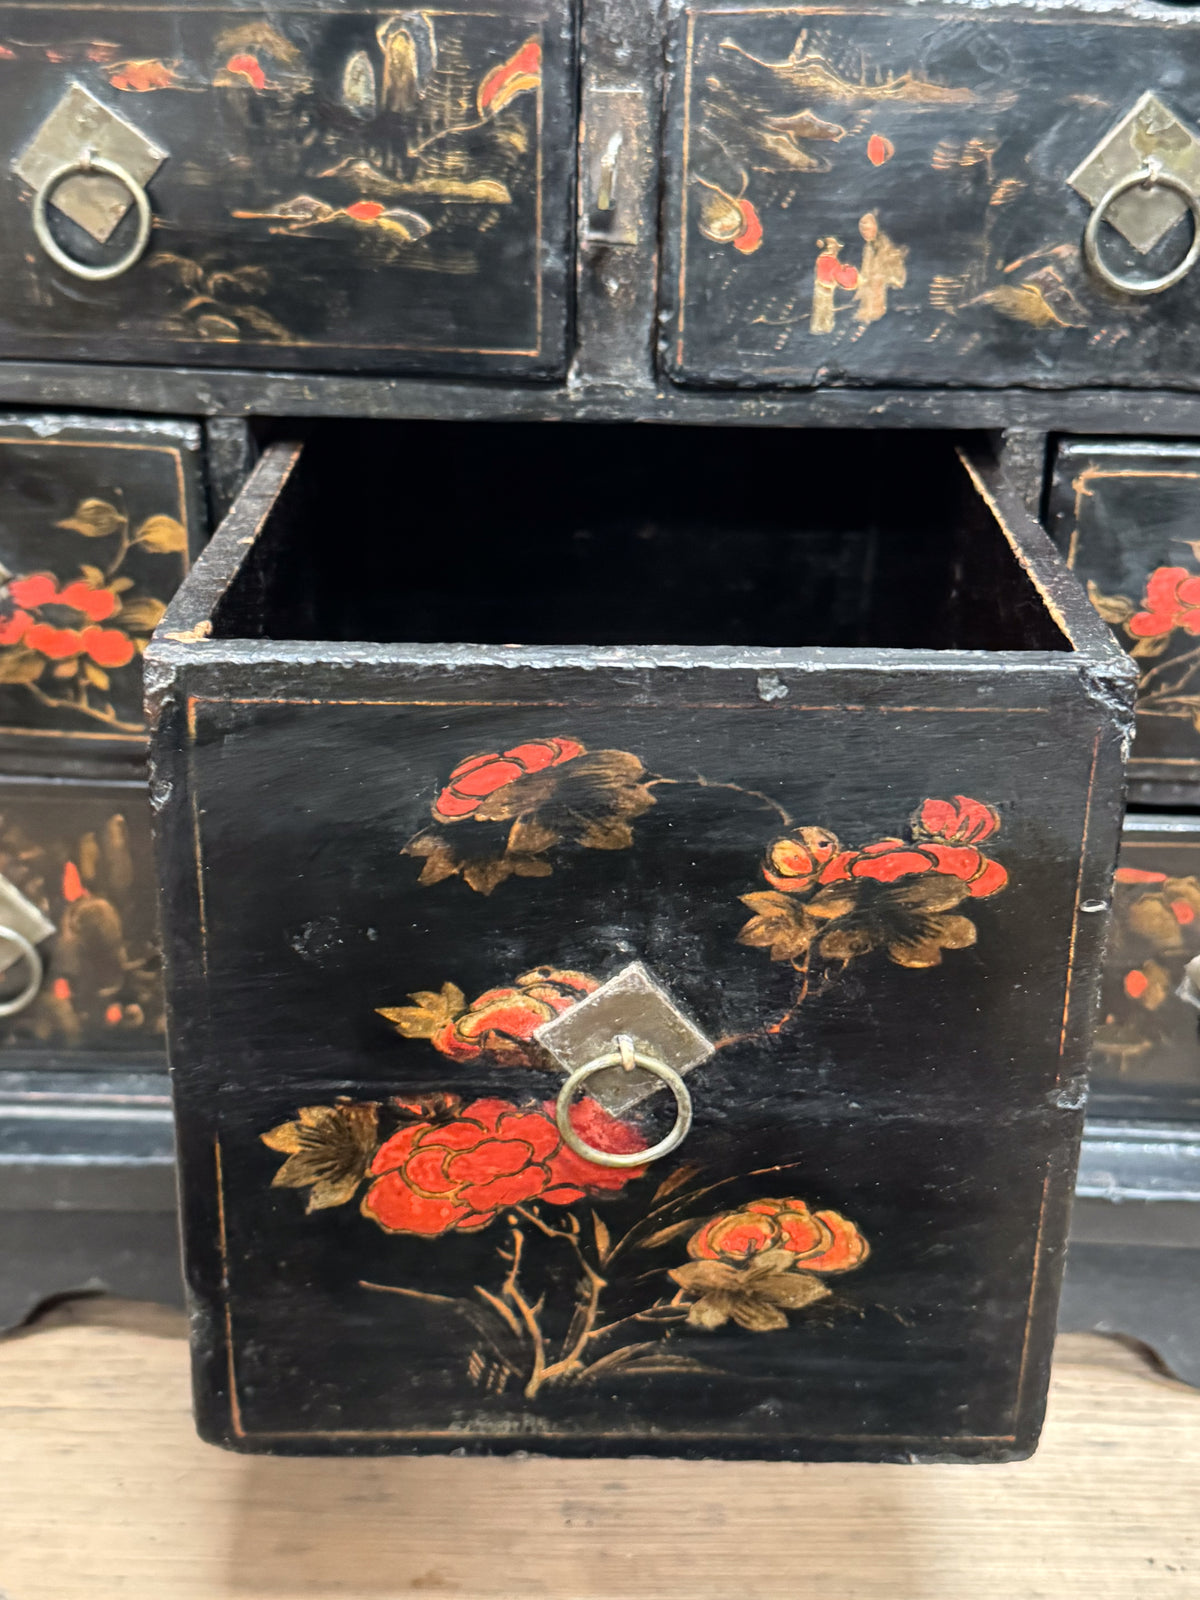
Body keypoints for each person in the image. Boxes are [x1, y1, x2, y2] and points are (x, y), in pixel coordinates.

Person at [854, 212, 908, 325]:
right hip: (870, 289)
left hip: (881, 288)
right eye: (862, 229)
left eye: (868, 228)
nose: (865, 232)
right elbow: (865, 270)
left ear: (876, 227)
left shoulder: (885, 244)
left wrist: (880, 275)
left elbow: (892, 267)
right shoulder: (868, 247)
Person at [810, 238, 857, 335]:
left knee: (820, 307)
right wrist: (847, 269)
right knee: (825, 308)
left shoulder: (822, 259)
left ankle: (819, 326)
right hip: (826, 287)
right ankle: (824, 326)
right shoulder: (830, 260)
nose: (835, 250)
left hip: (821, 286)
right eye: (833, 247)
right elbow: (837, 274)